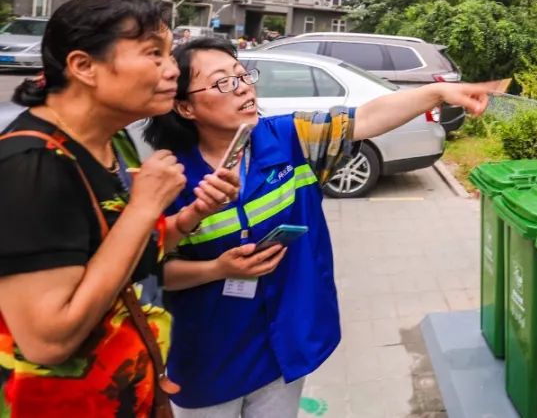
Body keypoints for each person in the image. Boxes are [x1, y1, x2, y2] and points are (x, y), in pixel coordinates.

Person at [143, 37, 494, 416]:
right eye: (223, 82)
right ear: (185, 106)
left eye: (243, 74)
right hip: (209, 355)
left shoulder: (288, 137)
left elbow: (368, 118)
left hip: (284, 345)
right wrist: (217, 269)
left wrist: (439, 92)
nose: (243, 86)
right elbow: (150, 270)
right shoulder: (168, 177)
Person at [0, 0, 240, 416]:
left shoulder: (114, 142)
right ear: (83, 66)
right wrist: (144, 207)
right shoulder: (30, 166)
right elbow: (48, 340)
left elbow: (121, 250)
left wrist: (187, 217)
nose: (172, 70)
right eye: (154, 54)